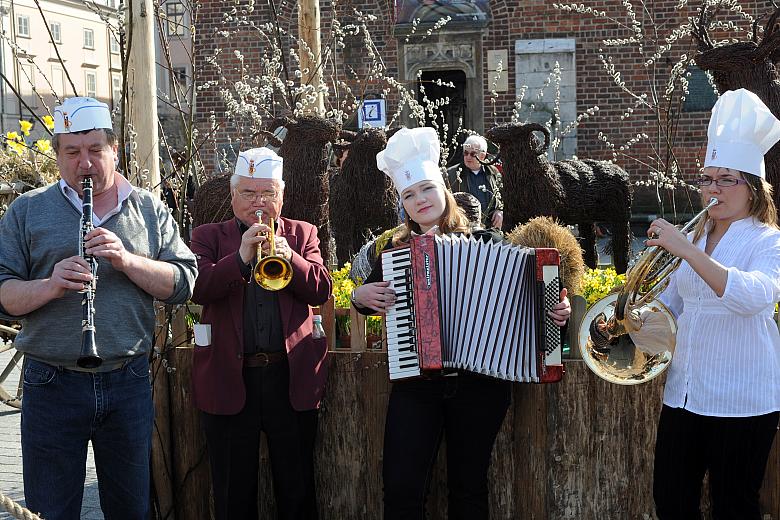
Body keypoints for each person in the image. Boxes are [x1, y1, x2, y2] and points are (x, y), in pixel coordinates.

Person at [351, 127, 571, 519]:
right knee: (401, 489)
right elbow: (369, 297)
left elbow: (536, 306)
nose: (419, 200)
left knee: (468, 490)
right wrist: (359, 297)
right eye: (408, 195)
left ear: (443, 190)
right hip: (417, 384)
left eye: (425, 189)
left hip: (481, 383)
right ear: (402, 204)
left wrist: (556, 313)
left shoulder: (490, 243)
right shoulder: (396, 251)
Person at [0, 96, 197, 519]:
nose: (84, 163)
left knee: (130, 509)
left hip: (126, 380)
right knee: (50, 511)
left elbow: (183, 283)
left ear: (115, 151)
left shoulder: (148, 208)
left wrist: (127, 261)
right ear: (58, 155)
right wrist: (51, 286)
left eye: (95, 150)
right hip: (50, 382)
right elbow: (4, 294)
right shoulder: (27, 210)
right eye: (72, 152)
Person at [647, 89, 780, 519]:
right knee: (671, 500)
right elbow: (672, 309)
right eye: (707, 178)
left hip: (742, 398)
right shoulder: (695, 238)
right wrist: (627, 320)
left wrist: (687, 252)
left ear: (752, 187)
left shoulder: (768, 240)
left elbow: (752, 297)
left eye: (726, 179)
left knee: (735, 507)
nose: (713, 189)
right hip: (685, 393)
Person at [190, 147, 332, 520]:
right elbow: (198, 287)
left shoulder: (303, 234)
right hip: (230, 378)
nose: (259, 202)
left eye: (267, 193)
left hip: (290, 378)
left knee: (297, 487)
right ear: (233, 195)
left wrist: (291, 258)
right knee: (233, 492)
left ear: (281, 196)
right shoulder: (208, 236)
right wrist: (239, 258)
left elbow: (320, 289)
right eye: (250, 193)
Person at [447, 134, 503, 230]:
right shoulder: (452, 174)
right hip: (464, 229)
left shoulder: (493, 172)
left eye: (473, 154)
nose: (468, 157)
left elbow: (502, 195)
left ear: (482, 155)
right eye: (465, 153)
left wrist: (500, 210)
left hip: (490, 228)